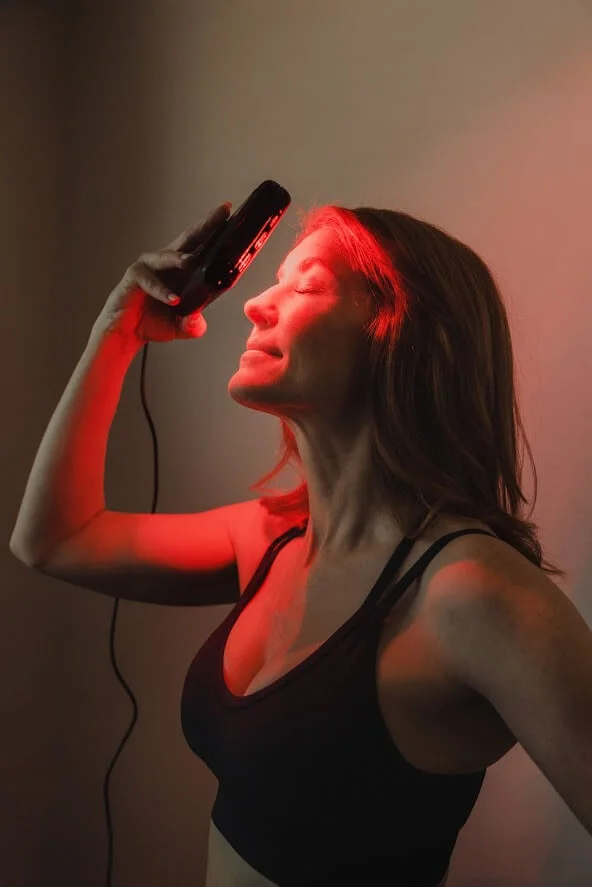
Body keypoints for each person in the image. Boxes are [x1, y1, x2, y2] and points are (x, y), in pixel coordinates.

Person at [11, 201, 587, 887]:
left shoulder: (470, 592)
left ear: (402, 336)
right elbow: (54, 539)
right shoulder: (270, 537)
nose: (255, 304)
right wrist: (116, 331)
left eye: (306, 285)